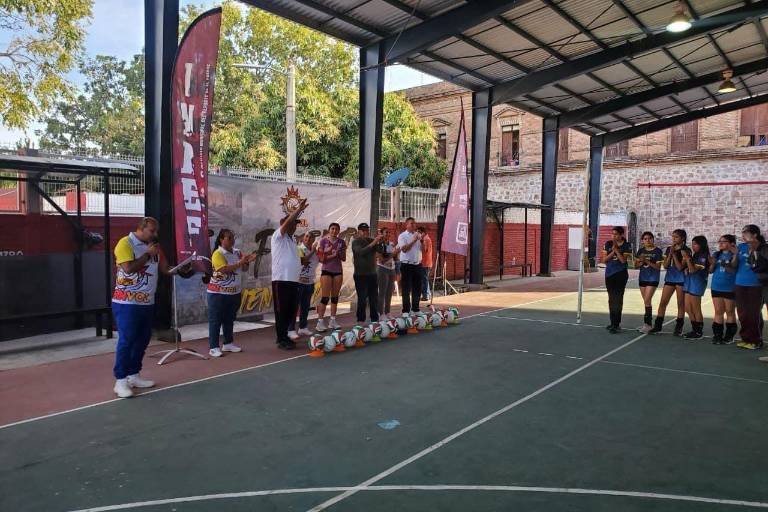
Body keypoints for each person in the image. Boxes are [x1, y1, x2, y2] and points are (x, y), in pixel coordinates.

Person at [111, 217, 193, 398]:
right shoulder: (125, 243)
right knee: (127, 340)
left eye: (156, 232)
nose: (155, 235)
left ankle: (134, 374)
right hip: (127, 302)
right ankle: (120, 381)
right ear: (141, 228)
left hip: (147, 302)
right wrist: (148, 254)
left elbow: (165, 268)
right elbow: (128, 268)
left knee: (143, 339)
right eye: (152, 231)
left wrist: (180, 269)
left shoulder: (155, 248)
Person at [207, 228, 254, 357]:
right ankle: (213, 347)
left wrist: (246, 262)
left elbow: (244, 269)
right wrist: (240, 263)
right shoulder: (217, 253)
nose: (232, 240)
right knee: (215, 320)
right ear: (222, 239)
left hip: (234, 293)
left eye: (233, 237)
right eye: (229, 238)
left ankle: (228, 343)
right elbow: (223, 269)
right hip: (217, 294)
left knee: (229, 320)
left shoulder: (237, 252)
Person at [271, 199, 308, 350]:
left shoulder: (292, 241)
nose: (295, 225)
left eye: (296, 223)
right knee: (281, 311)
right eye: (293, 223)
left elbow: (294, 259)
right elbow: (286, 224)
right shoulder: (277, 236)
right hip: (281, 280)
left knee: (291, 310)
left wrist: (303, 260)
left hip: (293, 281)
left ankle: (285, 336)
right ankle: (281, 339)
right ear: (285, 225)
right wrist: (298, 209)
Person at [649, 229, 688, 336]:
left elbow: (680, 267)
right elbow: (665, 266)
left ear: (682, 238)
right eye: (673, 237)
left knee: (680, 304)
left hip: (681, 279)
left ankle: (678, 328)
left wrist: (674, 254)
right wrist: (670, 254)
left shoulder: (686, 250)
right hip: (670, 278)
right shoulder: (668, 250)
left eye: (676, 237)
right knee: (663, 303)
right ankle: (658, 326)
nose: (674, 239)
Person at [734, 225, 764, 350]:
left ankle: (756, 340)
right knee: (742, 313)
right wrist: (735, 255)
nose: (743, 235)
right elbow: (735, 265)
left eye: (745, 233)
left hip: (755, 284)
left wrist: (753, 251)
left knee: (753, 313)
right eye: (742, 233)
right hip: (740, 283)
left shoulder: (762, 247)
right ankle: (746, 338)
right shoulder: (741, 247)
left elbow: (755, 265)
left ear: (755, 235)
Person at [288, 232, 320, 339]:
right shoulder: (299, 248)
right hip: (299, 282)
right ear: (303, 238)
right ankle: (291, 329)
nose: (308, 238)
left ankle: (302, 327)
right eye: (306, 236)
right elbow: (304, 260)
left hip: (310, 282)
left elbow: (322, 260)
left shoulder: (315, 251)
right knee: (294, 307)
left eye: (311, 237)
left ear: (313, 240)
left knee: (305, 307)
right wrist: (313, 251)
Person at [316, 222, 347, 331]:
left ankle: (332, 320)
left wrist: (339, 253)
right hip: (326, 271)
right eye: (332, 229)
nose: (334, 231)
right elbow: (321, 259)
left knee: (335, 297)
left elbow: (344, 258)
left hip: (338, 271)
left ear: (339, 231)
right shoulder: (323, 241)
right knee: (325, 297)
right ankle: (320, 322)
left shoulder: (341, 242)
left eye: (336, 229)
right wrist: (328, 253)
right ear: (329, 230)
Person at [601, 226, 632, 334]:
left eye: (616, 234)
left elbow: (623, 261)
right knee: (611, 298)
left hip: (620, 274)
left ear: (621, 235)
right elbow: (604, 260)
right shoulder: (608, 244)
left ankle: (616, 324)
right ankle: (612, 322)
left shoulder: (627, 245)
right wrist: (612, 252)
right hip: (609, 274)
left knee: (618, 299)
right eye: (612, 234)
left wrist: (616, 251)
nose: (613, 236)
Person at [352, 223, 384, 323]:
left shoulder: (371, 240)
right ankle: (360, 320)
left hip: (372, 274)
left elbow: (380, 251)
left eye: (367, 230)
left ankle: (374, 318)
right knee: (362, 298)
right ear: (359, 231)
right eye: (363, 230)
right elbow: (360, 252)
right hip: (360, 275)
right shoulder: (355, 242)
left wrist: (380, 242)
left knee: (374, 298)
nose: (366, 232)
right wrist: (374, 242)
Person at [709, 234, 738, 344]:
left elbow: (733, 271)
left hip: (730, 287)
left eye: (724, 241)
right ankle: (717, 335)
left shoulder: (735, 254)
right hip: (716, 286)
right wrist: (712, 264)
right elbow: (711, 271)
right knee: (718, 311)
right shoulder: (716, 254)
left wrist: (725, 265)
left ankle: (729, 336)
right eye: (719, 241)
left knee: (730, 312)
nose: (720, 243)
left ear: (731, 243)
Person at [681, 235, 711, 340]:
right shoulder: (696, 255)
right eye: (692, 244)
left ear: (701, 244)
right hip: (690, 283)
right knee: (687, 308)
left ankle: (698, 331)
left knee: (696, 308)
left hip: (698, 283)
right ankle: (694, 329)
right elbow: (689, 269)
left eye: (695, 244)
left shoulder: (703, 256)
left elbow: (693, 270)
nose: (693, 246)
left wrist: (687, 258)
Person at [635, 231, 663, 333]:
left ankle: (647, 324)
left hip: (653, 278)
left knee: (647, 300)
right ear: (642, 241)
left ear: (653, 239)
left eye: (650, 238)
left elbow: (658, 267)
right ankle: (648, 324)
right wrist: (641, 261)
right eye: (645, 239)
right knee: (647, 302)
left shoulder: (658, 251)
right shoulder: (640, 251)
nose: (648, 240)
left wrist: (646, 261)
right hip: (642, 278)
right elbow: (636, 266)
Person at [397, 217, 423, 315]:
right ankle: (406, 310)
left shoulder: (418, 235)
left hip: (417, 265)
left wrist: (421, 241)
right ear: (406, 225)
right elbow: (404, 249)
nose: (414, 225)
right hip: (406, 265)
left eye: (415, 223)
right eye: (411, 223)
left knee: (417, 288)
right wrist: (413, 240)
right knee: (406, 288)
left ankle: (415, 309)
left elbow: (423, 250)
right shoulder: (402, 236)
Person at [377, 227, 399, 321]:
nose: (388, 234)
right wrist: (393, 254)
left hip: (392, 269)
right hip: (382, 269)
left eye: (389, 232)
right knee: (382, 292)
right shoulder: (378, 245)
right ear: (381, 233)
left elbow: (395, 259)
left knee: (389, 292)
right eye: (386, 232)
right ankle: (380, 313)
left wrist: (397, 253)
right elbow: (381, 260)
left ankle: (388, 312)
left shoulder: (391, 244)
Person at [417, 227, 434, 302]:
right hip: (426, 262)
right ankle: (427, 294)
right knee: (424, 279)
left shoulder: (425, 239)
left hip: (425, 263)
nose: (419, 234)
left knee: (424, 279)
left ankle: (426, 295)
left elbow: (425, 250)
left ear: (423, 232)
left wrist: (421, 242)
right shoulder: (427, 238)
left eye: (420, 232)